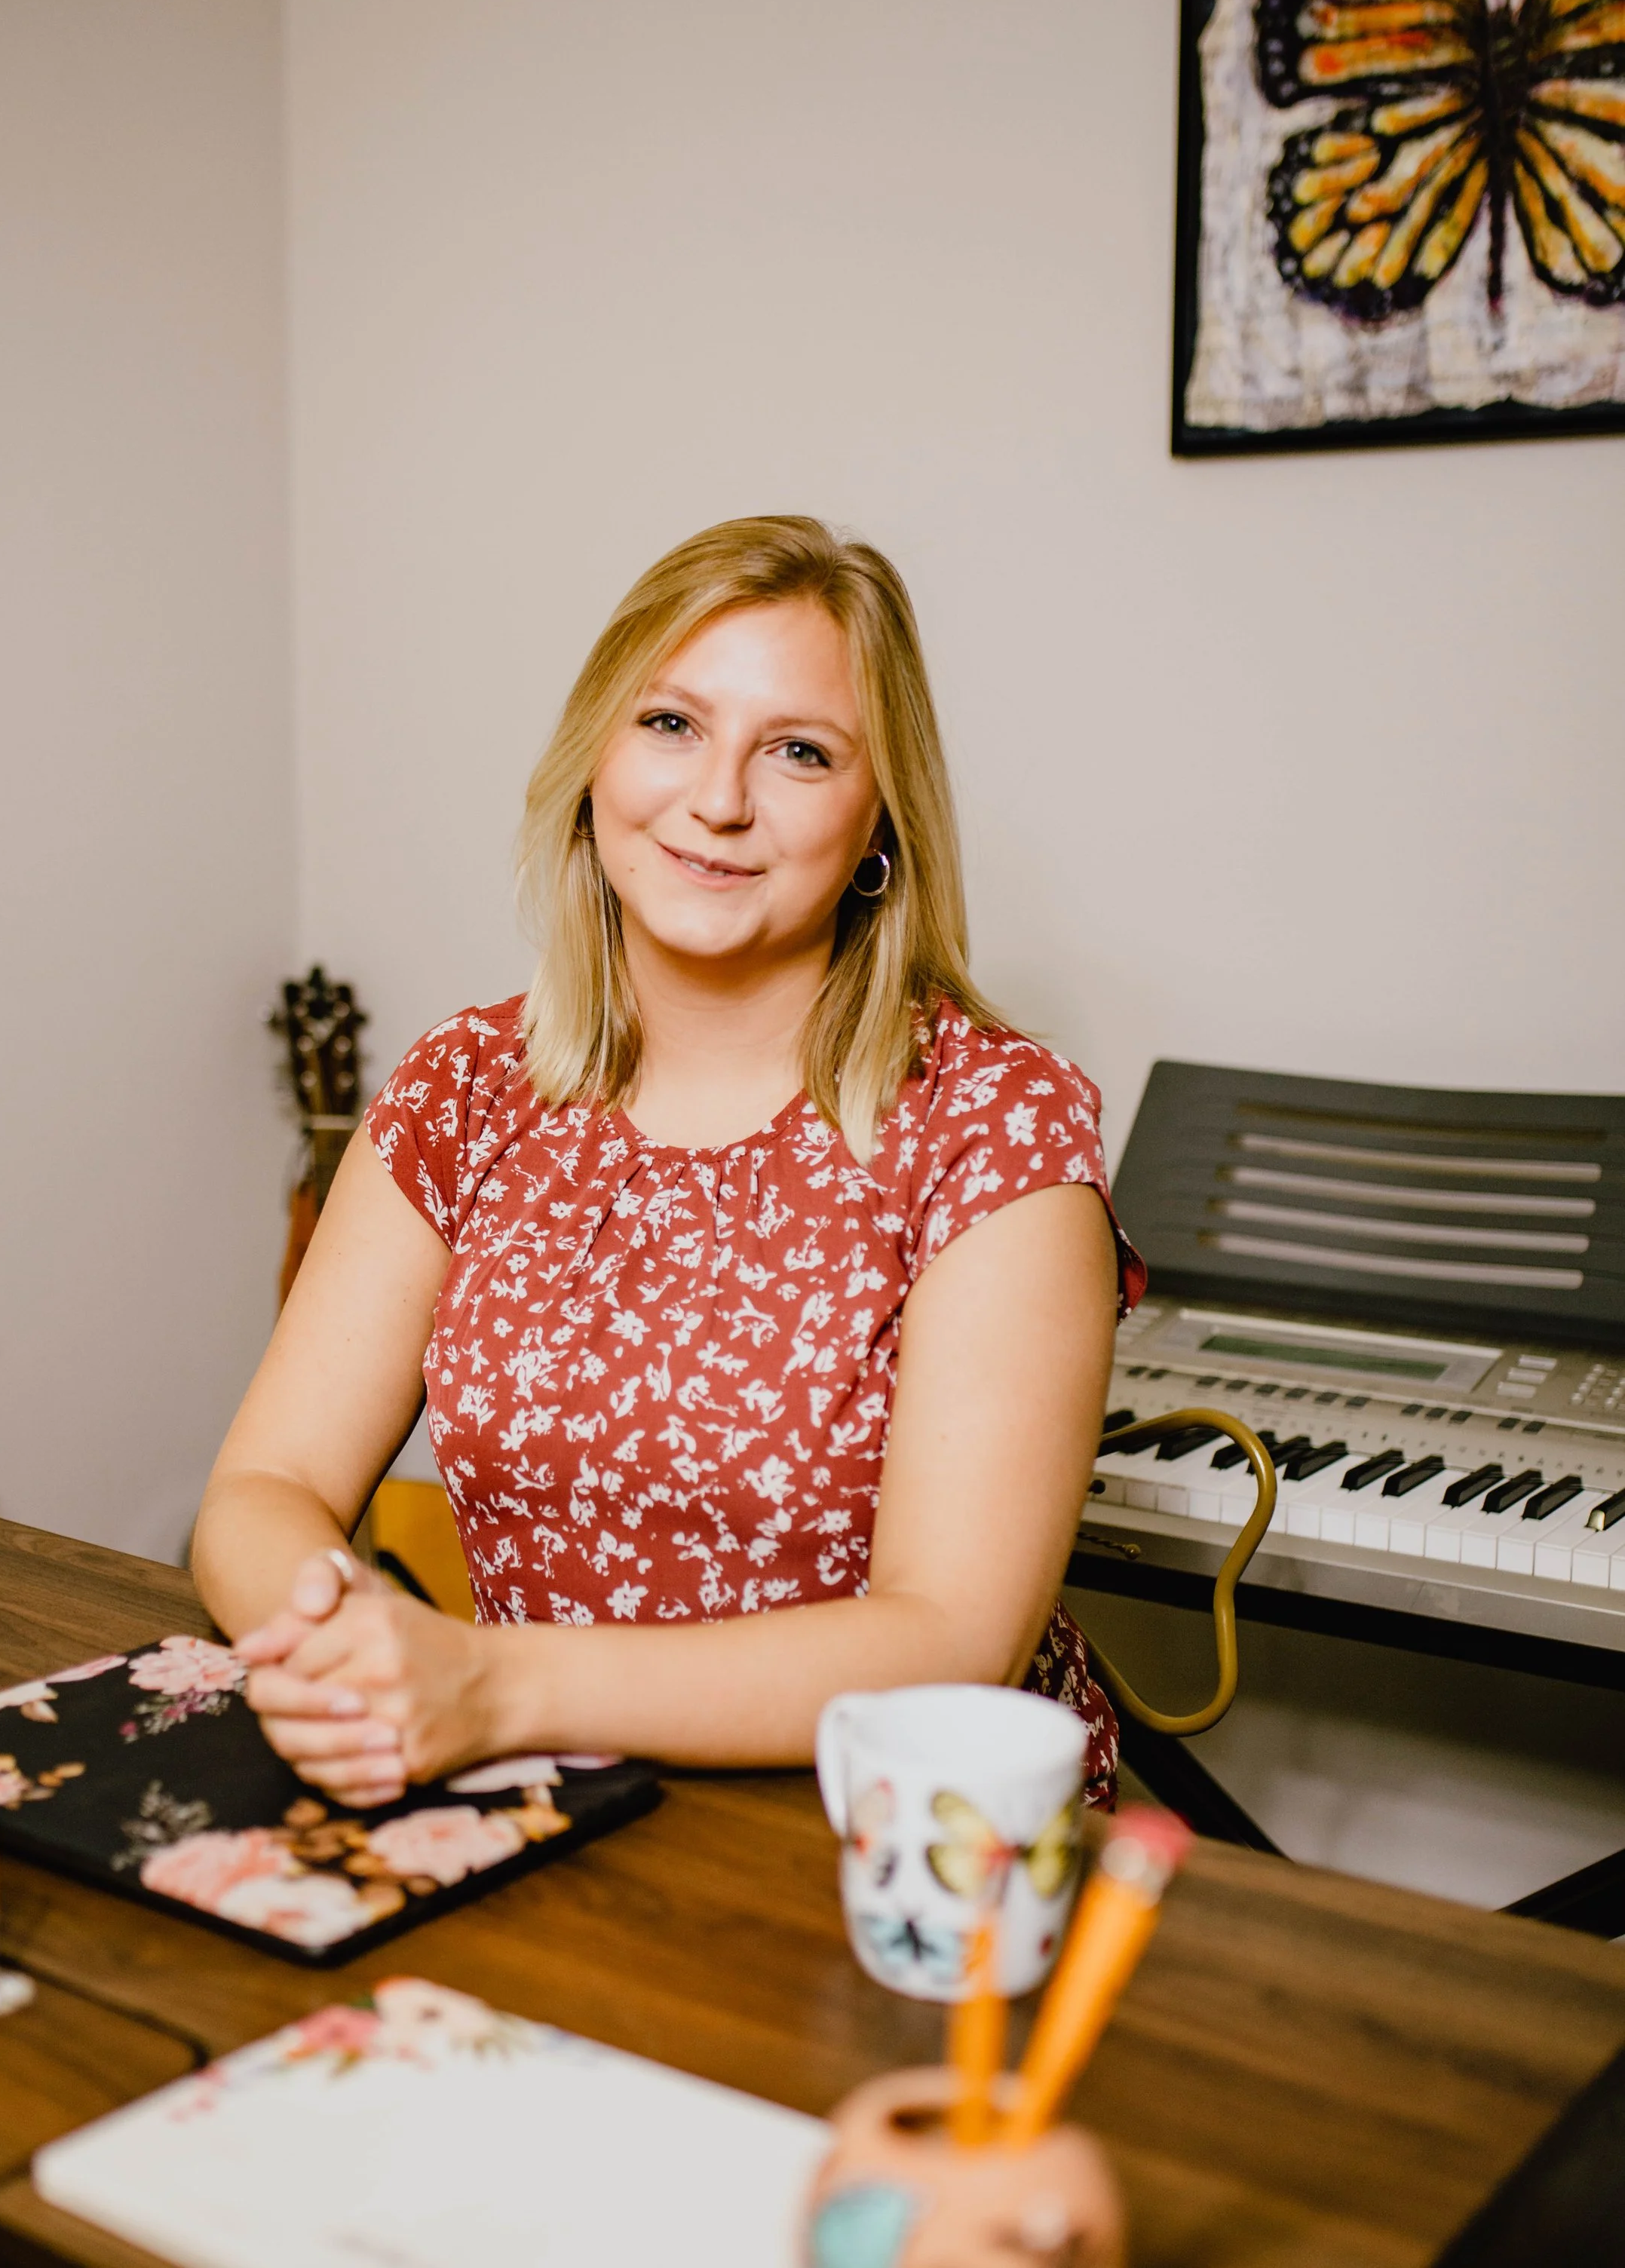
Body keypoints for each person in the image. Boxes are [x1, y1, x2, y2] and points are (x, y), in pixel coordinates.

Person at [192, 515, 1143, 1813]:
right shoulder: (463, 1092)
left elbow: (949, 1638)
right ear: (597, 756)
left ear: (880, 820)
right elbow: (265, 1486)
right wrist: (344, 1646)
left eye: (800, 752)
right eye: (672, 725)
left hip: (895, 1846)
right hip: (546, 1807)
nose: (720, 800)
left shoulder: (993, 1123)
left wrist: (491, 1687)